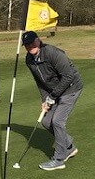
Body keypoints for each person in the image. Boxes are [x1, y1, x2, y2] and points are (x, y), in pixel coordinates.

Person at [22, 31, 83, 171]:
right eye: (26, 45)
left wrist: (52, 96)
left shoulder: (52, 53)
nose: (30, 46)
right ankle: (68, 146)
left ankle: (59, 158)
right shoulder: (29, 60)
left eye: (32, 42)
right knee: (45, 121)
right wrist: (45, 100)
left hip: (71, 88)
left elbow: (68, 77)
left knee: (57, 121)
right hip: (54, 91)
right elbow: (40, 82)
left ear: (38, 40)